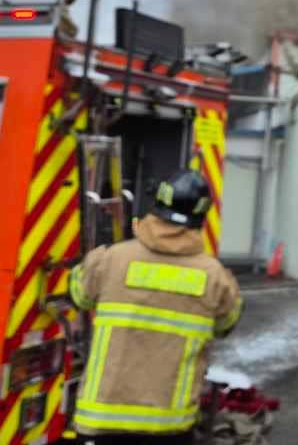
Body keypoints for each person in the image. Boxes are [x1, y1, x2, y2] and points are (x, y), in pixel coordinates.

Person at [68, 169, 244, 445]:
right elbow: (226, 324)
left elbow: (79, 295)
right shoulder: (215, 278)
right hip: (169, 426)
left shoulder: (112, 258)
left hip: (101, 422)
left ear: (156, 207)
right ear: (200, 216)